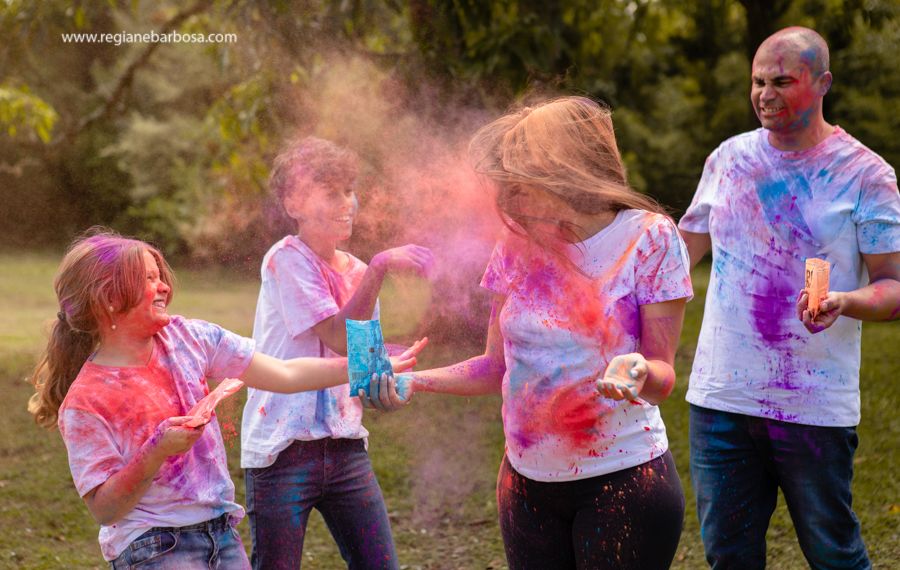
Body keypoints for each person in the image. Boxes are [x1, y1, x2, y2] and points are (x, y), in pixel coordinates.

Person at [369, 97, 693, 570]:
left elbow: (664, 378)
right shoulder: (516, 243)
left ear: (570, 168)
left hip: (625, 482)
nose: (513, 190)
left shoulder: (651, 238)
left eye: (526, 173)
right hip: (524, 487)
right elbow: (493, 364)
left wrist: (639, 369)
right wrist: (415, 380)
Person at [27, 228, 423, 569]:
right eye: (149, 279)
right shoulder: (86, 400)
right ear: (109, 298)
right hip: (153, 546)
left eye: (160, 275)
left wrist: (365, 365)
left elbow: (285, 373)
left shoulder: (189, 338)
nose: (164, 285)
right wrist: (157, 449)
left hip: (222, 534)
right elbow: (105, 509)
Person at [678, 26, 900, 570]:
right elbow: (677, 258)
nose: (764, 94)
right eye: (757, 81)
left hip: (814, 408)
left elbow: (893, 288)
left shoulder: (866, 174)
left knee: (835, 558)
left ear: (823, 83)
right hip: (721, 401)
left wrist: (844, 302)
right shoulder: (726, 160)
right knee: (729, 559)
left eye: (782, 81)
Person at [240, 137, 434, 570]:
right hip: (281, 452)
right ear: (293, 203)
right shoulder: (284, 260)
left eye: (349, 190)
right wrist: (382, 266)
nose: (349, 202)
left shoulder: (361, 273)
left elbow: (362, 371)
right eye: (332, 193)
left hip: (346, 450)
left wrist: (389, 390)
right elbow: (338, 338)